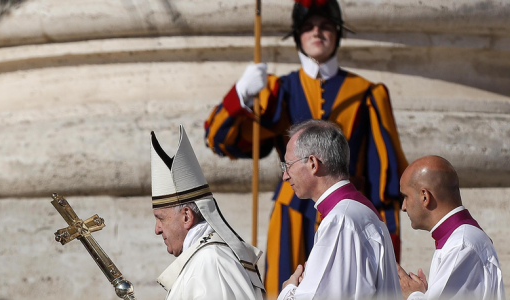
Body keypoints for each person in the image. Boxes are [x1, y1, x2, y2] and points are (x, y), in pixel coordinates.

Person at [204, 0, 407, 296]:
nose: (317, 32)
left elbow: (384, 174)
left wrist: (388, 240)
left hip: (348, 214)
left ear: (337, 33)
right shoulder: (280, 90)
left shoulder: (368, 94)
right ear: (297, 34)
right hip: (292, 215)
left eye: (325, 26)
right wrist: (241, 96)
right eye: (308, 26)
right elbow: (220, 139)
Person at [277, 119, 401, 300]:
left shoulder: (340, 220)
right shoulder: (359, 211)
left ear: (312, 163)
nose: (285, 176)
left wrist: (288, 290)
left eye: (288, 165)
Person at [151, 125, 264, 300]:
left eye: (161, 219)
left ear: (187, 216)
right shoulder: (202, 259)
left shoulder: (212, 262)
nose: (157, 229)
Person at [396, 156, 505, 300]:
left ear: (424, 196)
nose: (403, 207)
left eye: (406, 197)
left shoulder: (461, 245)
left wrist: (411, 294)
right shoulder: (459, 240)